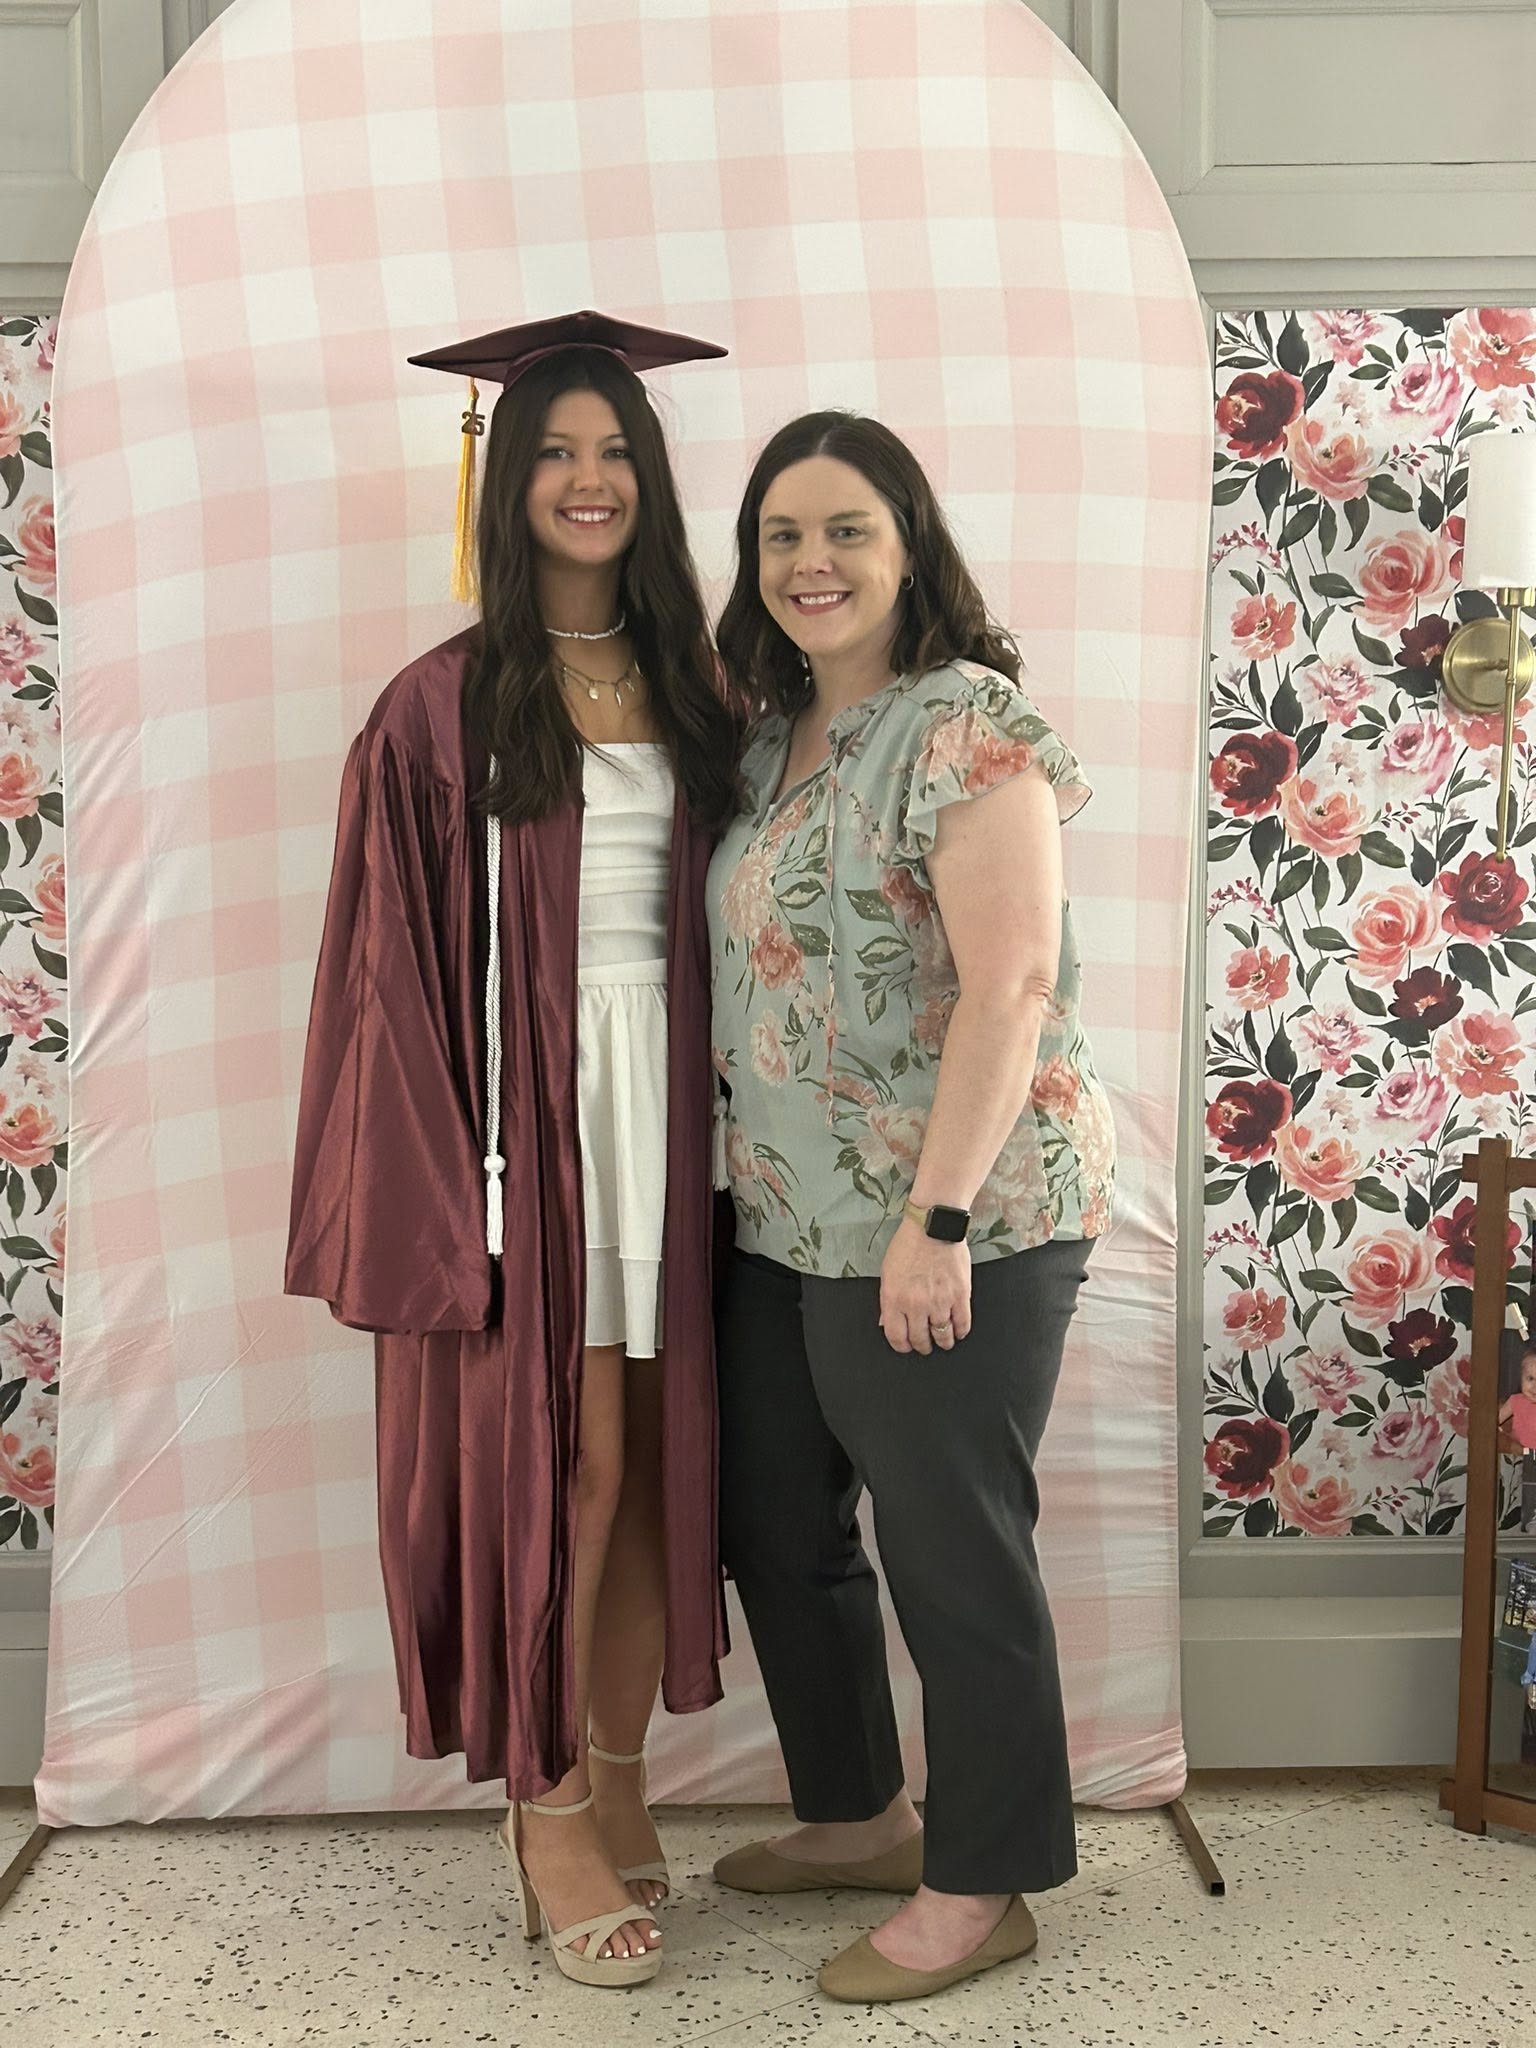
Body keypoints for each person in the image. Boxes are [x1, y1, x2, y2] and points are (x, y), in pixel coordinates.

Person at [285, 310, 738, 1988]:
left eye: (615, 449)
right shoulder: (441, 706)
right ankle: (544, 1810)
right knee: (575, 1467)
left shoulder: (704, 684)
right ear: (503, 477)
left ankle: (620, 1782)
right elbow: (384, 977)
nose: (588, 478)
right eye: (554, 448)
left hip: (672, 1122)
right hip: (525, 1136)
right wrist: (425, 1193)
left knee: (652, 1490)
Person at [706, 410, 1115, 2003]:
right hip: (788, 1216)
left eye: (846, 530)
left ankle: (987, 1878)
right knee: (771, 1520)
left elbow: (1009, 984)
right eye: (783, 536)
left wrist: (936, 1222)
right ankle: (860, 1816)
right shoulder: (765, 737)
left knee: (954, 1551)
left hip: (962, 1220)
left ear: (909, 545)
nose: (814, 563)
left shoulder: (969, 724)